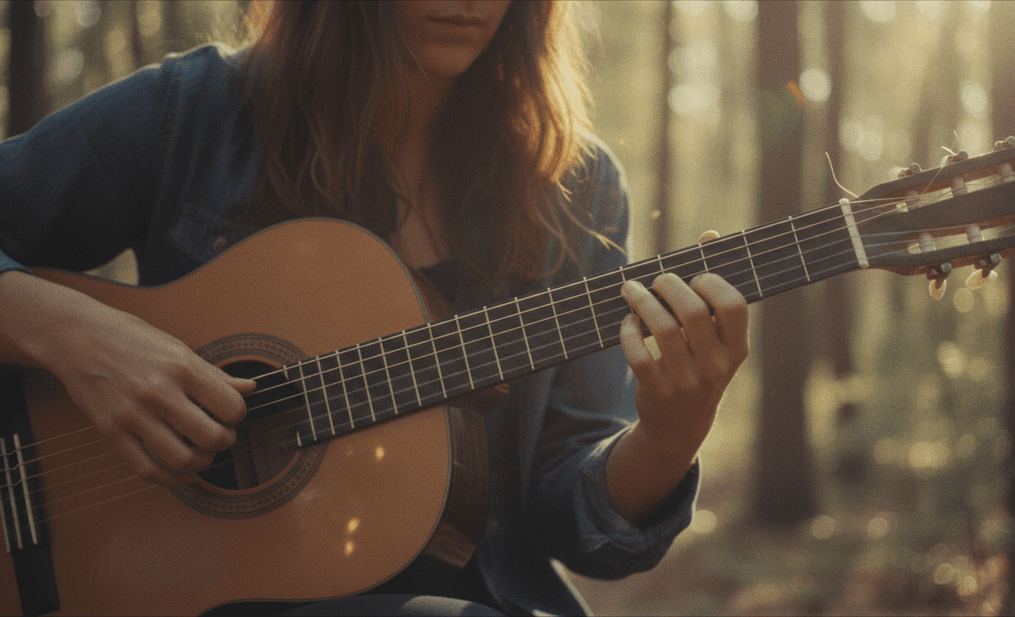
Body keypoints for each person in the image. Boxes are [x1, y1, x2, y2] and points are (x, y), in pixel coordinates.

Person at [0, 1, 748, 615]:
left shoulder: (573, 186)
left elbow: (571, 520)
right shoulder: (194, 114)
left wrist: (668, 434)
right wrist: (83, 341)